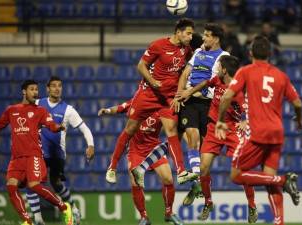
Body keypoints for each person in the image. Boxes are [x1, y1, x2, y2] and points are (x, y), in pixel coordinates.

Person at [216, 36, 302, 225]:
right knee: (268, 179)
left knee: (236, 175)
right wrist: (299, 120)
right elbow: (297, 103)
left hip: (258, 133)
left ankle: (284, 180)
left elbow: (226, 97)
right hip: (277, 133)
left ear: (250, 53)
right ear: (270, 54)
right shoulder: (281, 75)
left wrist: (220, 121)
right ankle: (279, 221)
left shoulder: (246, 71)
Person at [105, 18, 198, 185]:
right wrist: (152, 81)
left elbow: (188, 70)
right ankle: (112, 167)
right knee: (131, 129)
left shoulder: (187, 50)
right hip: (148, 94)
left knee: (171, 130)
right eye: (188, 33)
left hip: (167, 98)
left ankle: (182, 172)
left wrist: (179, 93)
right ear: (178, 32)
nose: (191, 37)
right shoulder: (158, 45)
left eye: (192, 34)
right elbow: (141, 65)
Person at [0, 80, 73, 225]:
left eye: (36, 90)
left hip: (33, 155)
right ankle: (27, 221)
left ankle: (64, 208)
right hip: (16, 159)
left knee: (34, 186)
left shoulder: (40, 111)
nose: (35, 92)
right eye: (32, 89)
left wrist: (58, 127)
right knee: (11, 186)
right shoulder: (11, 110)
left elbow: (51, 125)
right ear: (24, 91)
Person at [177, 55, 258, 223]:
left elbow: (249, 109)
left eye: (219, 66)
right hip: (214, 128)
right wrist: (189, 91)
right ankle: (208, 202)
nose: (217, 68)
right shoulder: (217, 80)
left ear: (225, 70)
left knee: (241, 170)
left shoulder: (237, 90)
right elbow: (205, 83)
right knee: (204, 168)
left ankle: (251, 205)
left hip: (232, 130)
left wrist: (246, 120)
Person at [99, 101, 184, 225]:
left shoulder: (162, 107)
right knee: (135, 181)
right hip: (136, 150)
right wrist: (107, 110)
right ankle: (144, 217)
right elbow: (120, 108)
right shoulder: (139, 102)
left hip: (153, 148)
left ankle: (169, 213)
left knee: (168, 179)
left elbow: (173, 125)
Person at [25, 76, 95, 225]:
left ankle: (73, 209)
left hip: (58, 154)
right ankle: (37, 219)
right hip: (40, 152)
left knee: (55, 183)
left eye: (60, 86)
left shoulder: (68, 110)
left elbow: (85, 128)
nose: (57, 88)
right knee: (33, 181)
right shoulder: (37, 104)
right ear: (48, 88)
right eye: (54, 86)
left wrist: (90, 145)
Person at [173, 23, 229, 204]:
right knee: (193, 137)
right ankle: (196, 183)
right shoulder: (198, 52)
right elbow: (184, 74)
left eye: (206, 35)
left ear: (216, 38)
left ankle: (197, 184)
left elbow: (219, 82)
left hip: (209, 105)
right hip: (190, 102)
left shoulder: (224, 57)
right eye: (203, 35)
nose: (203, 38)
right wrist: (179, 96)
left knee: (204, 160)